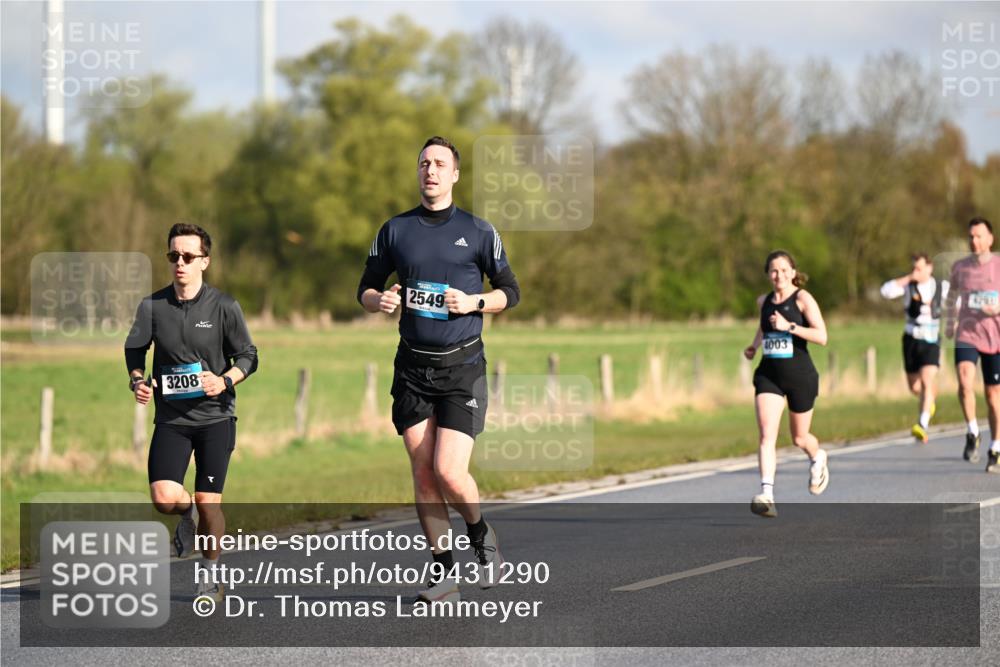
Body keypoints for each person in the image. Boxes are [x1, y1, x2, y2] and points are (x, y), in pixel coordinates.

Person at [357, 136, 521, 602]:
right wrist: (380, 300)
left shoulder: (479, 230)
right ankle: (443, 568)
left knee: (449, 471)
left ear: (454, 175)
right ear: (418, 172)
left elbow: (511, 290)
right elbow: (366, 287)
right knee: (423, 472)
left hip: (462, 367)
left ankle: (480, 533)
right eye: (424, 163)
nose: (430, 170)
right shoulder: (394, 230)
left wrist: (475, 302)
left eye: (439, 163)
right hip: (412, 368)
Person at [125, 223, 259, 601]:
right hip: (172, 420)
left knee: (208, 500)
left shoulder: (224, 306)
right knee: (165, 497)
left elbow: (249, 356)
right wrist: (138, 380)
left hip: (215, 418)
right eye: (173, 256)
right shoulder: (153, 307)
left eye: (187, 257)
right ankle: (187, 517)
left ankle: (210, 574)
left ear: (205, 261)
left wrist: (225, 380)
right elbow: (135, 350)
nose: (179, 263)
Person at [744, 251, 830, 517]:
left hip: (800, 376)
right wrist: (754, 345)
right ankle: (767, 494)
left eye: (783, 270)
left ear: (793, 272)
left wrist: (789, 326)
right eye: (773, 270)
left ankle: (818, 458)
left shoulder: (803, 299)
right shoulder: (764, 301)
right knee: (766, 434)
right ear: (768, 274)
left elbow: (822, 336)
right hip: (769, 374)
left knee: (799, 438)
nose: (778, 275)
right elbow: (763, 327)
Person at [944, 217, 1000, 473]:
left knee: (992, 395)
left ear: (990, 239)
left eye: (979, 236)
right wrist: (949, 322)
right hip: (966, 333)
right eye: (971, 236)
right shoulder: (960, 267)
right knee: (965, 383)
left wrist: (997, 308)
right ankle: (973, 431)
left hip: (994, 336)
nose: (974, 241)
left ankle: (996, 447)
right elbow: (951, 295)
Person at [880, 253, 949, 443]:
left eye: (919, 268)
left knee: (927, 380)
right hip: (911, 338)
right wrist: (909, 278)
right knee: (915, 386)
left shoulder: (940, 287)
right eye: (913, 269)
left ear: (929, 268)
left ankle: (922, 424)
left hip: (931, 338)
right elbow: (885, 291)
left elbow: (958, 301)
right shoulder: (908, 285)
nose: (916, 272)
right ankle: (929, 400)